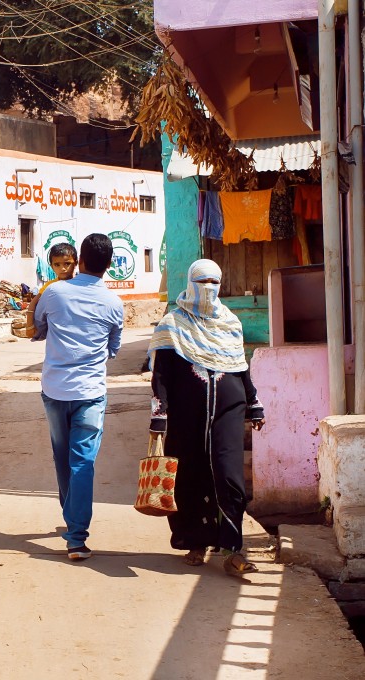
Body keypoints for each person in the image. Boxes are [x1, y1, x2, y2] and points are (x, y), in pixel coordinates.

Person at [148, 259, 265, 577]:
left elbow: (240, 366)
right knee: (189, 477)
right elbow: (161, 374)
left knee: (230, 478)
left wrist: (254, 403)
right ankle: (194, 541)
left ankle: (232, 548)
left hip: (229, 411)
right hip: (186, 417)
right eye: (203, 282)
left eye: (214, 282)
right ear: (190, 283)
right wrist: (159, 415)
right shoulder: (172, 324)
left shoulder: (230, 322)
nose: (209, 289)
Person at [32, 233, 123, 560]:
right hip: (90, 392)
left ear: (79, 261)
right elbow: (114, 348)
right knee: (82, 461)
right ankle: (76, 536)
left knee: (62, 456)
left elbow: (38, 325)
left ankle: (72, 522)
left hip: (55, 389)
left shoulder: (54, 292)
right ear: (109, 266)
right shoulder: (114, 303)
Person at [25, 242, 77, 338]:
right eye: (57, 265)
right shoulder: (50, 286)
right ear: (51, 266)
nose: (63, 268)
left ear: (76, 263)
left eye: (67, 264)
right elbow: (34, 302)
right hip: (56, 332)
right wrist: (29, 326)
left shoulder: (79, 284)